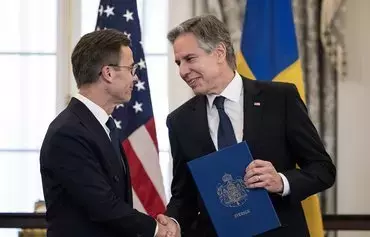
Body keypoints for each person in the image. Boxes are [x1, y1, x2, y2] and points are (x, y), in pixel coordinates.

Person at [164, 15, 336, 237]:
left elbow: (323, 169)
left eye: (190, 59)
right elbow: (183, 195)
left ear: (219, 52)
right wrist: (173, 223)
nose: (182, 71)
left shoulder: (280, 99)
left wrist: (281, 181)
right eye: (179, 63)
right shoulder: (180, 121)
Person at [40, 29, 180, 237]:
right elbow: (102, 205)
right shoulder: (68, 133)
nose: (134, 78)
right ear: (108, 73)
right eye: (131, 68)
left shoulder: (102, 126)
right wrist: (157, 229)